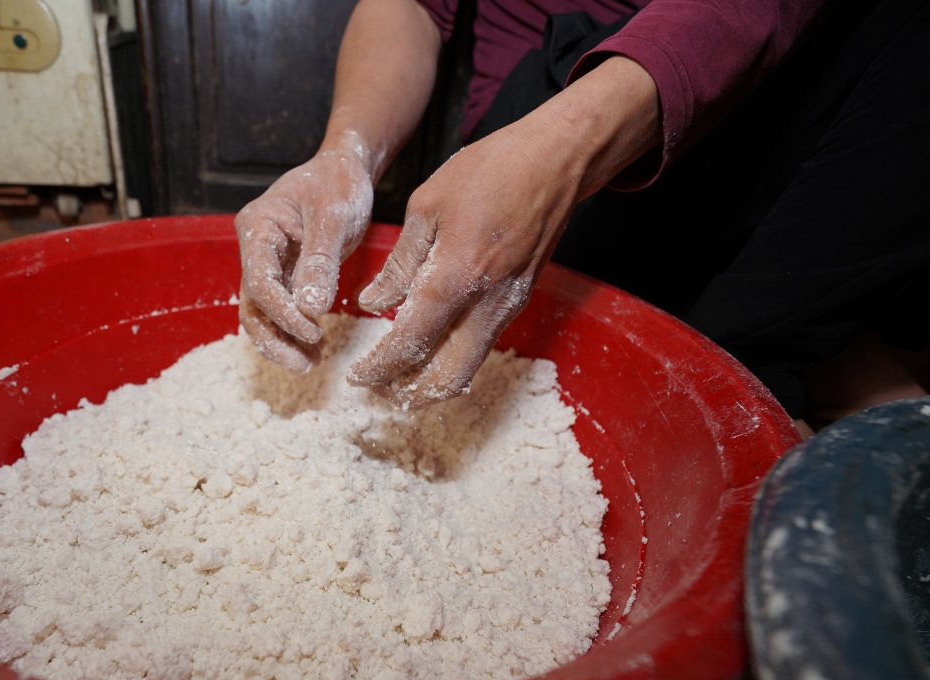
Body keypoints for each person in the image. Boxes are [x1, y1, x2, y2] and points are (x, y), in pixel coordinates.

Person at [235, 0, 929, 427]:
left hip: (746, 100)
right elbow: (413, 6)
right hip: (541, 109)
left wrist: (566, 152)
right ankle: (802, 353)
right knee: (711, 371)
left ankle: (796, 352)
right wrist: (344, 155)